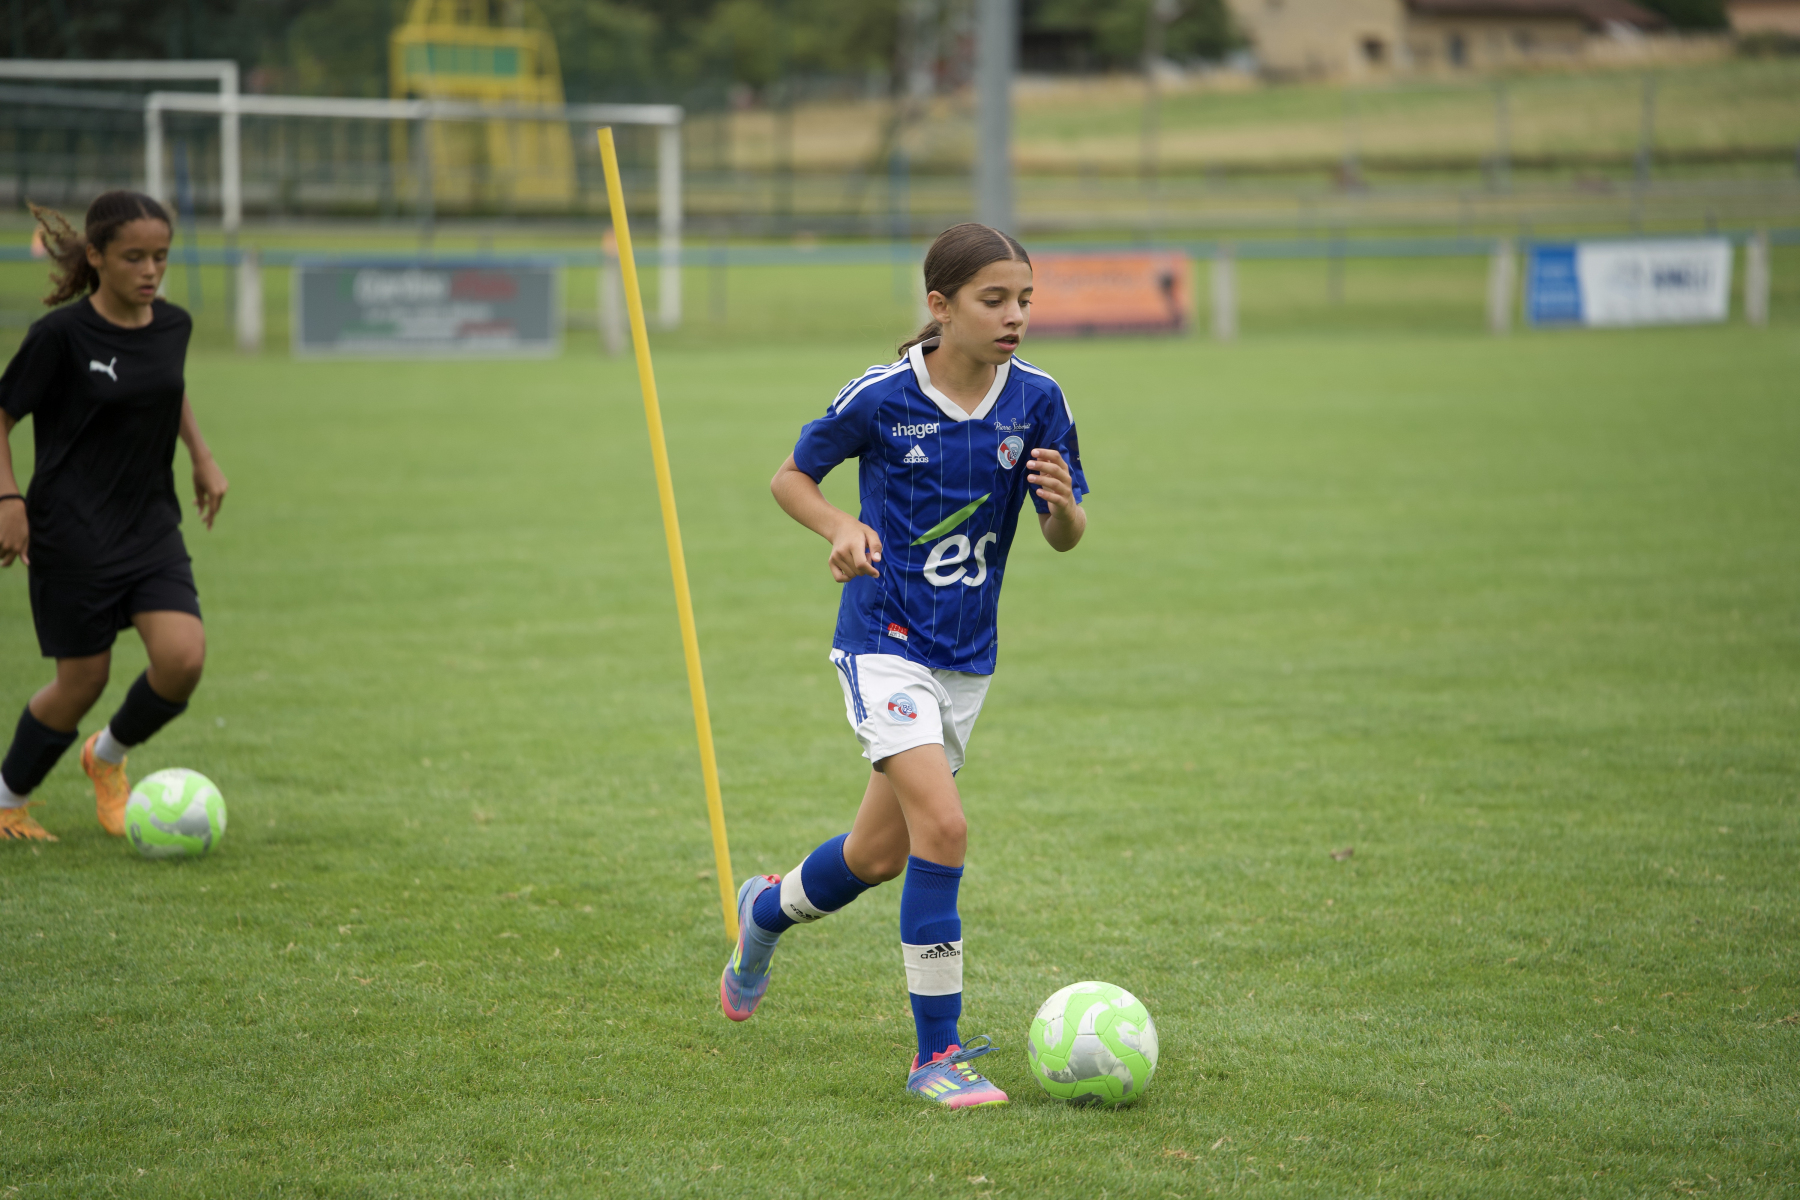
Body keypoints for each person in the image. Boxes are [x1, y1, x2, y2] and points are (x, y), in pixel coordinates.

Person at [721, 223, 1088, 1108]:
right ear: (940, 305)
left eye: (1024, 299)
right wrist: (840, 527)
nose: (1014, 316)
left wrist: (1064, 509)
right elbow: (790, 478)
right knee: (945, 830)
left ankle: (763, 911)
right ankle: (937, 1055)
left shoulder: (1039, 399)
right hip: (884, 643)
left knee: (876, 855)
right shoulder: (883, 396)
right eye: (994, 300)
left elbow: (1064, 535)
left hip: (967, 659)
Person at [0, 191, 228, 842]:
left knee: (183, 660)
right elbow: (2, 414)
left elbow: (167, 386)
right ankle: (6, 800)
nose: (150, 270)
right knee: (82, 682)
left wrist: (202, 457)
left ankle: (105, 756)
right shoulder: (60, 337)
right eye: (134, 257)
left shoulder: (173, 325)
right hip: (71, 531)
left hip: (150, 526)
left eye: (160, 256)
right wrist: (9, 500)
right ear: (96, 257)